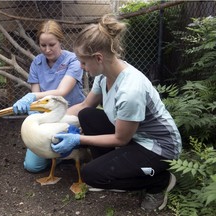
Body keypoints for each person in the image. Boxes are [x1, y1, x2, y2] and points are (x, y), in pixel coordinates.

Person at [51, 14, 182, 211]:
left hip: (159, 149)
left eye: (83, 62)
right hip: (137, 137)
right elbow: (84, 106)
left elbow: (120, 139)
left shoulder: (130, 90)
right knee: (87, 115)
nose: (81, 67)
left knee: (92, 176)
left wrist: (78, 140)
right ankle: (118, 171)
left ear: (98, 58)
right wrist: (51, 121)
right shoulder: (104, 76)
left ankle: (159, 182)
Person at [13, 20, 85, 173]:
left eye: (52, 45)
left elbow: (62, 91)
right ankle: (58, 157)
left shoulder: (73, 60)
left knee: (78, 153)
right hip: (48, 120)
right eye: (43, 45)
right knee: (33, 166)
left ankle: (68, 153)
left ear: (60, 41)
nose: (47, 50)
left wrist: (31, 95)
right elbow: (38, 99)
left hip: (71, 116)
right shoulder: (37, 63)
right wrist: (33, 110)